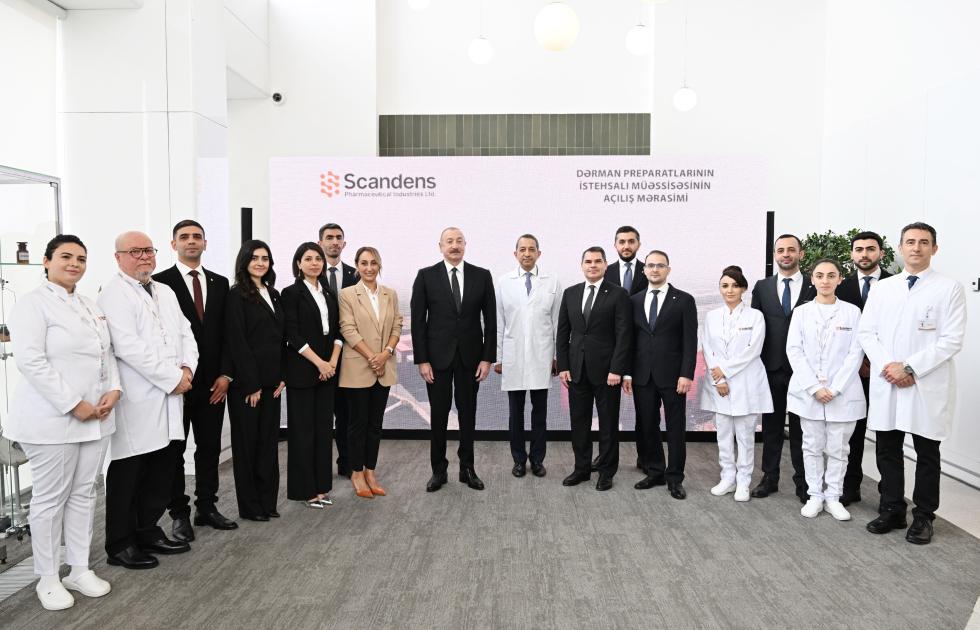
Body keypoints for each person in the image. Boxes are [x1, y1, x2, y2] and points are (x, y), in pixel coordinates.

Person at [7, 235, 120, 610]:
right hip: (51, 420)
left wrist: (114, 390)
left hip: (96, 415)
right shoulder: (32, 305)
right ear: (46, 261)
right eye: (66, 256)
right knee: (50, 499)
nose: (74, 264)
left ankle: (79, 568)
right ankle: (48, 577)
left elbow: (107, 353)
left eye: (81, 259)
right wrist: (73, 404)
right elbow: (30, 361)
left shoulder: (89, 304)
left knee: (84, 493)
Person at [859, 222, 967, 545]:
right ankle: (892, 509)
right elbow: (867, 332)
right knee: (887, 449)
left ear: (934, 248)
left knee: (927, 453)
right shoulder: (883, 288)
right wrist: (889, 367)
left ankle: (923, 517)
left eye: (923, 242)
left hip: (925, 383)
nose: (916, 247)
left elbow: (951, 340)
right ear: (900, 247)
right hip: (888, 380)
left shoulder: (949, 288)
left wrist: (909, 367)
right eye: (910, 242)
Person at [98, 231, 198, 569]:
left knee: (162, 469)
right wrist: (173, 379)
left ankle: (147, 530)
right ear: (118, 257)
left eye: (148, 250)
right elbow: (128, 347)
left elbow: (186, 333)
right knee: (130, 473)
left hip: (171, 394)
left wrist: (187, 369)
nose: (144, 256)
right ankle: (120, 543)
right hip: (138, 399)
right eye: (135, 251)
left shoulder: (165, 291)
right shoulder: (113, 294)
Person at [152, 219, 236, 541]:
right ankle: (179, 514)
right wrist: (173, 378)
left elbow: (228, 334)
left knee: (210, 447)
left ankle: (207, 506)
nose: (191, 241)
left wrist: (226, 374)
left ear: (205, 243)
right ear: (173, 244)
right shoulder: (160, 283)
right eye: (184, 237)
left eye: (197, 237)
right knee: (175, 451)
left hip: (214, 384)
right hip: (177, 384)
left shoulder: (219, 282)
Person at [411, 227, 496, 492]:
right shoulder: (426, 276)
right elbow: (417, 322)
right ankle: (439, 470)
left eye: (459, 241)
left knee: (468, 415)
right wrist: (422, 360)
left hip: (471, 359)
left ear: (465, 244)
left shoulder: (482, 276)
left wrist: (487, 358)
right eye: (449, 241)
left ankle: (467, 469)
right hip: (436, 360)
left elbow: (491, 321)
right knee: (438, 416)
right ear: (440, 246)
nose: (454, 245)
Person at [786, 258, 866, 521]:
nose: (825, 280)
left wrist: (835, 388)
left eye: (831, 275)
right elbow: (794, 350)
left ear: (840, 279)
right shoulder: (801, 312)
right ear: (812, 279)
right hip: (808, 392)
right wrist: (814, 387)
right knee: (811, 446)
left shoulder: (852, 312)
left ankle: (833, 497)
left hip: (842, 393)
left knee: (839, 448)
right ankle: (814, 495)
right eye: (820, 275)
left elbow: (856, 353)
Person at [623, 250, 697, 500]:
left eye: (660, 265)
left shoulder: (684, 300)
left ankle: (675, 478)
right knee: (647, 425)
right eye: (651, 265)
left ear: (668, 270)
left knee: (675, 427)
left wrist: (686, 374)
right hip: (642, 376)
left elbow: (690, 341)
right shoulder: (634, 301)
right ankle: (655, 471)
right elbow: (630, 341)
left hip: (674, 377)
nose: (655, 269)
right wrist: (628, 374)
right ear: (644, 270)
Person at [557, 247, 632, 491]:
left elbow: (624, 335)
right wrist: (563, 366)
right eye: (588, 261)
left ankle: (606, 472)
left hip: (607, 373)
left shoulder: (618, 294)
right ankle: (581, 469)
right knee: (579, 423)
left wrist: (617, 369)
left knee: (608, 424)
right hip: (577, 370)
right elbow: (563, 333)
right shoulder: (570, 293)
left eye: (597, 261)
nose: (592, 265)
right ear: (582, 265)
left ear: (605, 265)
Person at [698, 265, 773, 503]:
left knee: (745, 436)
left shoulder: (755, 316)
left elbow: (753, 350)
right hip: (719, 384)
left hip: (746, 382)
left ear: (743, 289)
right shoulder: (712, 316)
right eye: (725, 286)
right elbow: (707, 347)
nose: (729, 290)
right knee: (723, 434)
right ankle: (727, 477)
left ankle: (743, 481)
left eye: (734, 286)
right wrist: (719, 378)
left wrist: (726, 371)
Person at [224, 240, 286, 521]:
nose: (261, 263)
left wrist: (282, 376)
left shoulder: (273, 293)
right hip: (249, 387)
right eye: (255, 258)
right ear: (244, 261)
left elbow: (280, 339)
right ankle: (251, 507)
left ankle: (267, 502)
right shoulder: (236, 295)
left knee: (268, 445)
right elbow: (237, 342)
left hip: (273, 384)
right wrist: (252, 385)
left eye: (265, 258)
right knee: (247, 447)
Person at [750, 234, 815, 502]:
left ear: (801, 254)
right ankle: (770, 477)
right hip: (772, 367)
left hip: (805, 370)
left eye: (791, 250)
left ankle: (803, 482)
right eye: (780, 250)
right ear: (774, 255)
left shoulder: (814, 284)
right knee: (772, 427)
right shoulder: (762, 287)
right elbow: (755, 327)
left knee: (801, 428)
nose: (785, 254)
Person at [281, 242, 343, 509]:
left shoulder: (328, 292)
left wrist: (331, 364)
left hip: (327, 372)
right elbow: (292, 335)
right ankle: (305, 490)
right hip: (303, 372)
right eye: (308, 259)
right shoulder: (291, 293)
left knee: (323, 432)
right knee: (302, 433)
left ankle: (321, 487)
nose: (314, 263)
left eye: (318, 259)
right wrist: (319, 363)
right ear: (298, 263)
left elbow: (337, 332)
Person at [494, 234, 561, 478]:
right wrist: (499, 358)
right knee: (516, 413)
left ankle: (538, 460)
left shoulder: (552, 282)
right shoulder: (504, 282)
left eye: (531, 249)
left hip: (542, 355)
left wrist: (557, 357)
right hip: (513, 357)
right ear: (515, 254)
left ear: (538, 254)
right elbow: (499, 322)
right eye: (522, 249)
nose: (527, 254)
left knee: (540, 413)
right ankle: (519, 460)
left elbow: (557, 323)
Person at [338, 246, 403, 498]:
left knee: (376, 424)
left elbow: (397, 325)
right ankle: (356, 472)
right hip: (358, 367)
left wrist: (385, 353)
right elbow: (348, 329)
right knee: (357, 424)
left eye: (373, 263)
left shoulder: (390, 294)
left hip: (383, 366)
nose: (369, 268)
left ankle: (370, 471)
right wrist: (372, 357)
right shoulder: (347, 294)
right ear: (357, 266)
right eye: (364, 263)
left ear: (379, 265)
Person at [835, 230, 892, 506]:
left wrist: (878, 361)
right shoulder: (841, 287)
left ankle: (888, 495)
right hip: (852, 373)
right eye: (859, 249)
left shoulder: (896, 284)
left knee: (887, 438)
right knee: (852, 434)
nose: (864, 254)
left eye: (870, 249)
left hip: (887, 372)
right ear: (852, 254)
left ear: (881, 252)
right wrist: (856, 363)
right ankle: (850, 487)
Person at [600, 225, 648, 472]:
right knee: (607, 411)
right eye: (622, 242)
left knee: (644, 409)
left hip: (642, 349)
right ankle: (606, 458)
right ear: (615, 245)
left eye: (631, 241)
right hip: (611, 350)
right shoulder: (605, 272)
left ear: (638, 244)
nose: (626, 246)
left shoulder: (649, 270)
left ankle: (645, 457)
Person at [318, 222, 358, 478]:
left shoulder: (356, 274)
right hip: (321, 357)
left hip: (351, 355)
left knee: (347, 414)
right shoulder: (311, 272)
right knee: (322, 415)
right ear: (320, 242)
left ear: (344, 243)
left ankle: (347, 463)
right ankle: (320, 468)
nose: (334, 241)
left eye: (338, 237)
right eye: (329, 237)